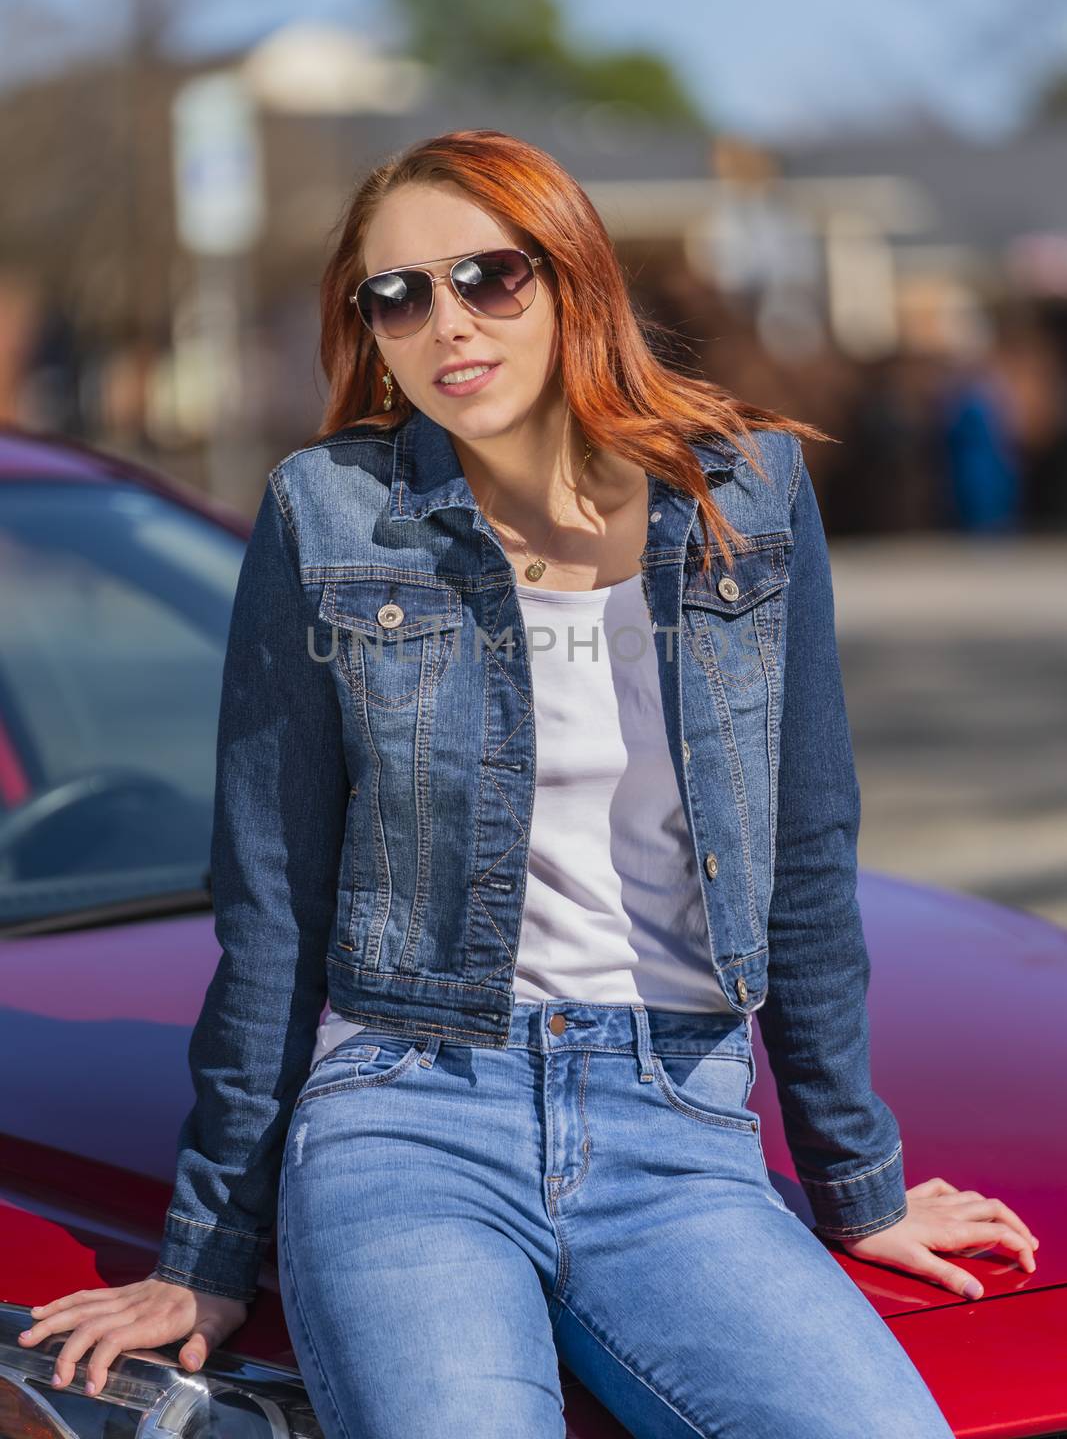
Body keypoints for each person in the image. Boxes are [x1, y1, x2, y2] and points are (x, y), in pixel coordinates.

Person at [21, 129, 1038, 1437]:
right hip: (408, 1117)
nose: (444, 321)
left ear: (571, 279)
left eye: (487, 277)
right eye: (396, 295)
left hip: (679, 1127)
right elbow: (272, 899)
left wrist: (860, 1185)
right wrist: (208, 1257)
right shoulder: (327, 514)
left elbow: (805, 844)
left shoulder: (749, 496)